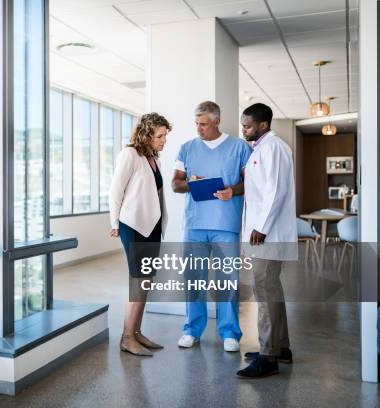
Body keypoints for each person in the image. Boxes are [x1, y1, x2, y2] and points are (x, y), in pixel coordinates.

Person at [172, 101, 251, 352]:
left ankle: (230, 333)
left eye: (203, 124)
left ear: (217, 121)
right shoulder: (187, 148)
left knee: (228, 280)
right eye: (196, 123)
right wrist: (192, 184)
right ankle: (192, 330)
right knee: (194, 280)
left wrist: (232, 191)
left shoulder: (239, 147)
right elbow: (175, 184)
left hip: (225, 224)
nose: (199, 128)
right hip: (195, 224)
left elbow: (250, 183)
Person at [237, 103, 297, 378]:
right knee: (271, 289)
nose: (244, 129)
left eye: (248, 125)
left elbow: (277, 190)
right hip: (263, 233)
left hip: (267, 234)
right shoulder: (261, 149)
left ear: (263, 125)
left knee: (264, 291)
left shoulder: (273, 147)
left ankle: (268, 356)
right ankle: (280, 347)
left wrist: (261, 226)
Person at [109, 112, 171, 356]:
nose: (163, 140)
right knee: (138, 280)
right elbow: (115, 190)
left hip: (152, 225)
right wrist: (114, 221)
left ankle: (136, 332)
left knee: (145, 281)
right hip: (133, 225)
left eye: (165, 135)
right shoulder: (130, 155)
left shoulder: (152, 157)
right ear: (146, 134)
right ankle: (126, 337)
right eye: (159, 136)